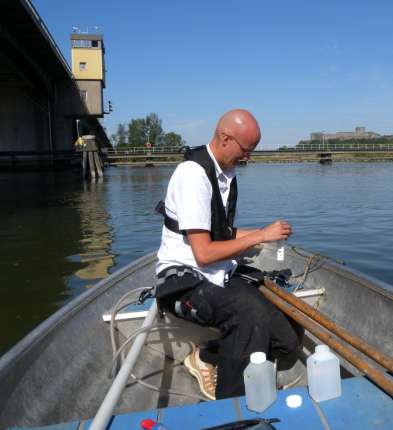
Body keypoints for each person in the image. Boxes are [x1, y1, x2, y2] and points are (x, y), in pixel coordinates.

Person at [155, 109, 302, 401]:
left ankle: (209, 357)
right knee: (248, 314)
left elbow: (222, 233)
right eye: (246, 150)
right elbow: (204, 252)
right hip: (182, 280)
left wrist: (265, 232)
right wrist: (261, 236)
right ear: (225, 139)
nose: (248, 158)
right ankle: (234, 407)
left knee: (287, 341)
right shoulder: (193, 175)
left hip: (219, 272)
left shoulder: (226, 174)